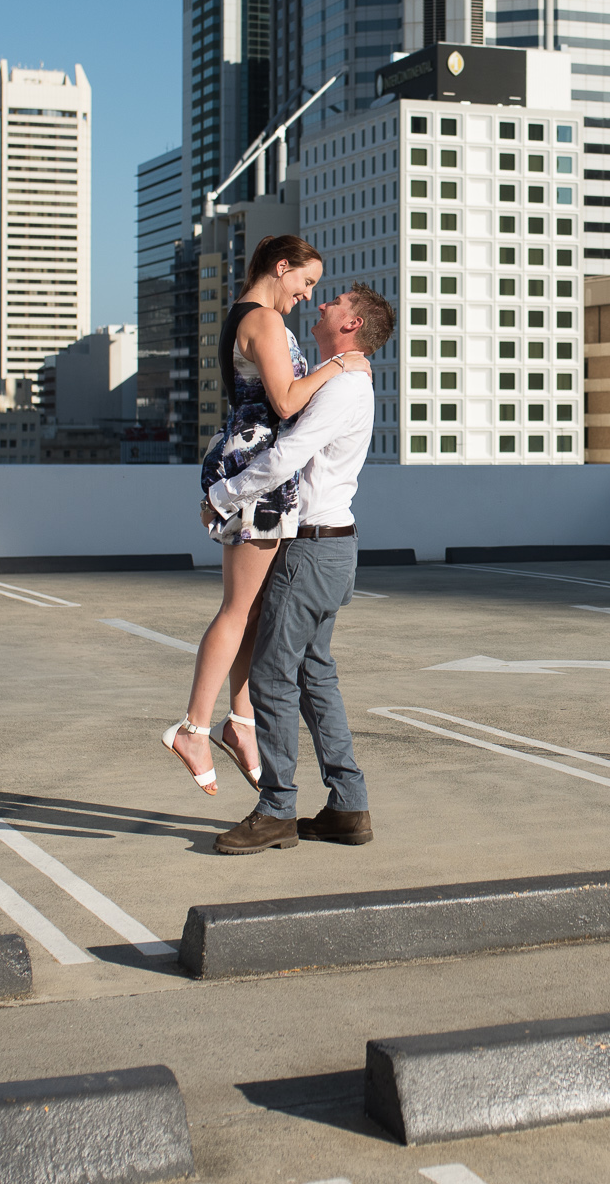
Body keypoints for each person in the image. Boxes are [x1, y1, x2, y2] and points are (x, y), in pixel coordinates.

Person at [159, 235, 370, 796]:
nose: (307, 295)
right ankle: (195, 729)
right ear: (282, 268)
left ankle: (240, 724)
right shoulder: (266, 322)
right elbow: (284, 401)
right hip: (259, 474)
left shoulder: (245, 315)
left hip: (249, 463)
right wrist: (338, 366)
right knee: (237, 610)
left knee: (250, 612)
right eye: (306, 282)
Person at [199, 281, 395, 855]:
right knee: (314, 678)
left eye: (334, 302)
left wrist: (224, 493)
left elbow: (287, 454)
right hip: (328, 547)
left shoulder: (345, 387)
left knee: (271, 677)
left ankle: (277, 810)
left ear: (353, 325)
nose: (321, 303)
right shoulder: (344, 376)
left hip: (312, 549)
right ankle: (348, 807)